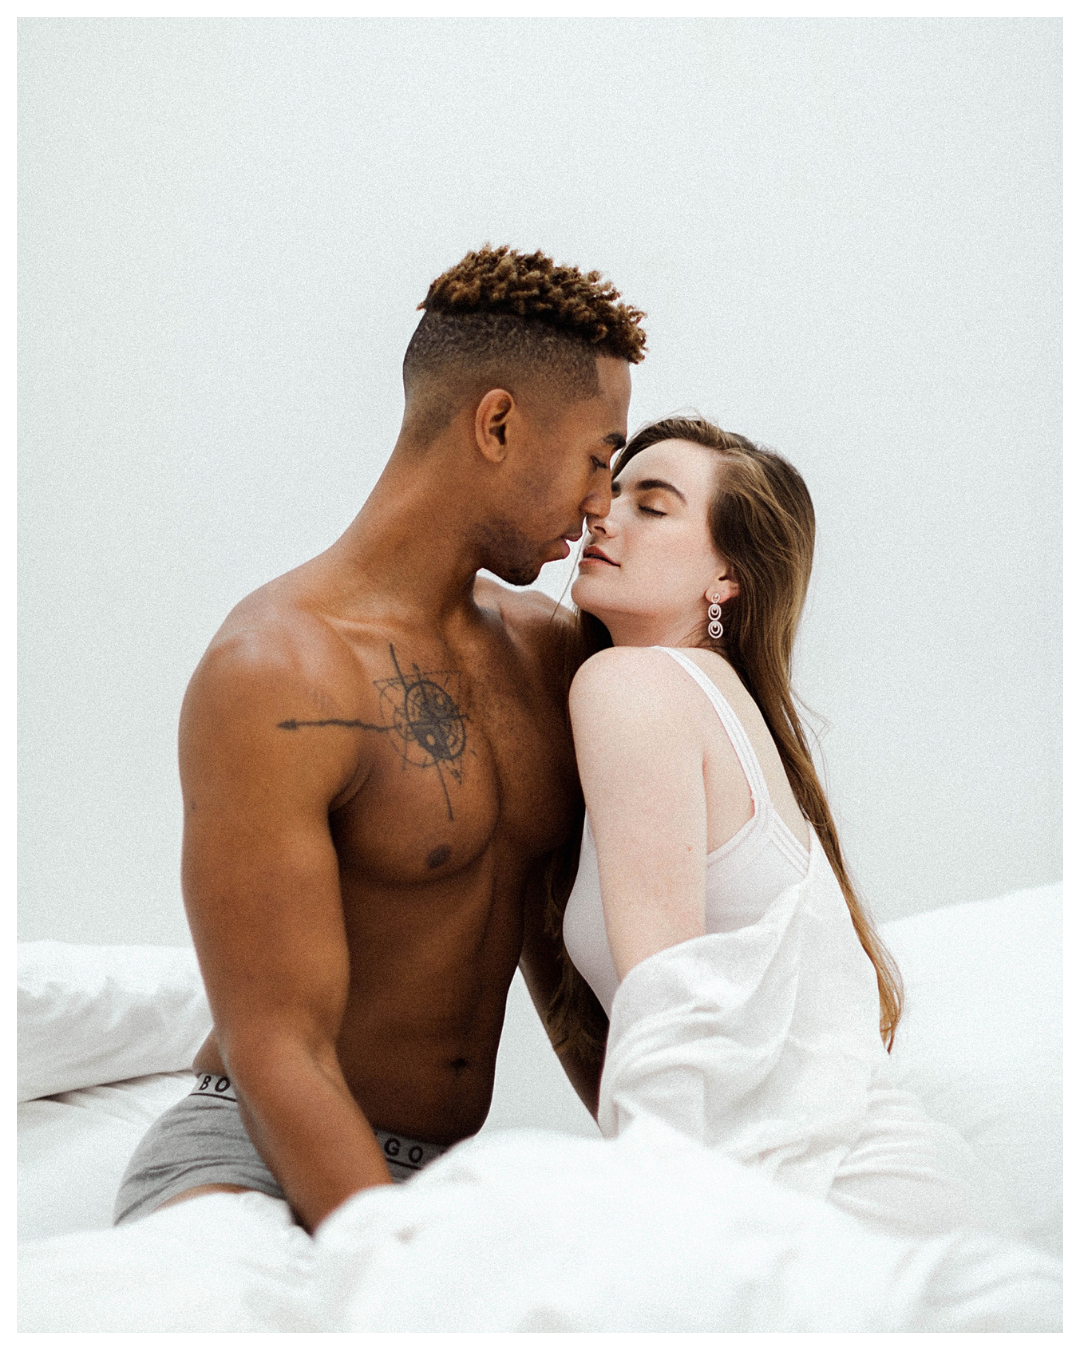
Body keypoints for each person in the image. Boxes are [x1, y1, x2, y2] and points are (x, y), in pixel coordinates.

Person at [113, 245, 644, 1233]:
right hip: (258, 1155)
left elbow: (567, 972)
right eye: (599, 457)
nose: (602, 503)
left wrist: (669, 1164)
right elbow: (280, 1051)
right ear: (497, 423)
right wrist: (397, 1273)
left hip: (445, 1181)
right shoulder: (276, 669)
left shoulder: (549, 655)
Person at [558, 416, 985, 1238]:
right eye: (610, 492)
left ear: (726, 577)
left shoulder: (629, 683)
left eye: (652, 505)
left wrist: (652, 1254)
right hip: (877, 1201)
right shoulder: (718, 704)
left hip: (834, 1218)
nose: (601, 517)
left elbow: (668, 1011)